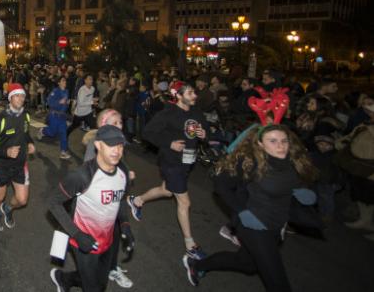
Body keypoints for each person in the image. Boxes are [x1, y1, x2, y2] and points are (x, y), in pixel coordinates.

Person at [182, 124, 319, 291]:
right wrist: (242, 212)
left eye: (284, 141)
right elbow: (221, 185)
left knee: (248, 265)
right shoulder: (251, 162)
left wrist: (300, 193)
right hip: (252, 224)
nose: (280, 145)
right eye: (273, 141)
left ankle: (197, 265)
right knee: (278, 283)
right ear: (260, 144)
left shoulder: (291, 164)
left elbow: (286, 190)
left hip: (276, 226)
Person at [128, 81, 209, 260]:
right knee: (184, 202)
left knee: (166, 191)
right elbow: (148, 132)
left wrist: (204, 134)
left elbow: (204, 129)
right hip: (171, 162)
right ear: (178, 96)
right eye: (189, 93)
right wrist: (169, 143)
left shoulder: (196, 112)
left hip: (187, 162)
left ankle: (137, 200)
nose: (194, 95)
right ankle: (190, 245)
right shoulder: (168, 112)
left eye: (194, 92)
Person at [49, 125, 135, 292]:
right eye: (111, 144)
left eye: (120, 145)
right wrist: (77, 235)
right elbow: (53, 203)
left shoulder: (123, 171)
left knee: (100, 284)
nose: (117, 150)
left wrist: (125, 225)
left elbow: (121, 199)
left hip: (107, 240)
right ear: (98, 145)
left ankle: (63, 278)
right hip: (84, 242)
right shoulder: (82, 176)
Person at [81, 109, 135, 289]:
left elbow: (118, 164)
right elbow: (90, 171)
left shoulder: (117, 142)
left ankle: (111, 267)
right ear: (104, 125)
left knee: (115, 235)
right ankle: (70, 278)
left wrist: (126, 172)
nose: (120, 126)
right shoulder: (96, 146)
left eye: (120, 122)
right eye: (115, 123)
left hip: (113, 198)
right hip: (98, 203)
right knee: (96, 252)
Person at [0, 83, 35, 231]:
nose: (21, 98)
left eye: (23, 96)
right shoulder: (0, 119)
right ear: (10, 98)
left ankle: (8, 208)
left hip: (20, 163)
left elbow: (26, 134)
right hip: (2, 165)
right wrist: (6, 152)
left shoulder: (26, 115)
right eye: (17, 95)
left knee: (22, 200)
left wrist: (31, 143)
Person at [41, 76, 71, 160]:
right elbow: (49, 101)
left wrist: (67, 103)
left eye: (65, 80)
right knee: (52, 133)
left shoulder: (66, 91)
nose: (65, 82)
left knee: (63, 133)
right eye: (63, 80)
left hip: (62, 116)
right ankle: (43, 130)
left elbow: (65, 104)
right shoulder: (55, 91)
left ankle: (63, 152)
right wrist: (59, 102)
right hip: (54, 116)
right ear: (59, 83)